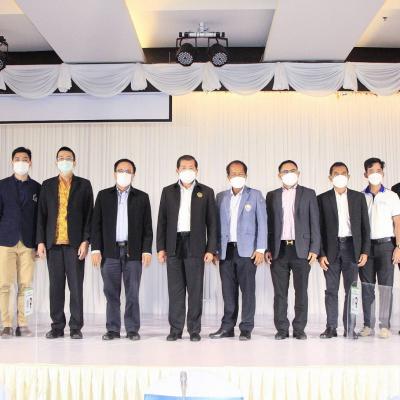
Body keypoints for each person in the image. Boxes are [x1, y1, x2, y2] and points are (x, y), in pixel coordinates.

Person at [157, 155, 217, 342]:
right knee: (175, 290)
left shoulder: (206, 192)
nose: (187, 170)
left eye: (191, 167)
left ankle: (194, 330)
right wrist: (161, 248)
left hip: (195, 244)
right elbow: (162, 221)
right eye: (183, 167)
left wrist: (210, 249)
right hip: (173, 244)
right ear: (177, 170)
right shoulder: (168, 191)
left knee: (195, 290)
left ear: (197, 170)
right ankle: (175, 330)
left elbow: (212, 223)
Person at [91, 159, 153, 341]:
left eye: (128, 171)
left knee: (132, 293)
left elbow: (147, 228)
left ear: (133, 174)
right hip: (109, 252)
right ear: (114, 173)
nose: (124, 173)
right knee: (111, 293)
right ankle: (113, 329)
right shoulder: (103, 196)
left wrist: (146, 250)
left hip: (133, 252)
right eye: (120, 170)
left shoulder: (142, 197)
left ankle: (132, 329)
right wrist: (96, 249)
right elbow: (96, 225)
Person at [37, 146, 93, 339]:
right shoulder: (47, 185)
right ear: (56, 161)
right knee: (56, 287)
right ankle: (57, 326)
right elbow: (41, 216)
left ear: (74, 162)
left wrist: (86, 240)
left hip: (75, 245)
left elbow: (89, 215)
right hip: (53, 245)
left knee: (76, 287)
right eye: (61, 158)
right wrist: (40, 242)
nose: (64, 160)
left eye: (68, 158)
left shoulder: (84, 185)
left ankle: (76, 327)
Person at [209, 160, 267, 341]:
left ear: (246, 175)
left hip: (247, 251)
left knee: (248, 291)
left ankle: (246, 328)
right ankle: (227, 327)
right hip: (225, 250)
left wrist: (260, 249)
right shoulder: (220, 197)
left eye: (240, 173)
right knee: (228, 291)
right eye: (233, 174)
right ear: (228, 177)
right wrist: (214, 249)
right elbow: (215, 225)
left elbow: (263, 223)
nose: (237, 176)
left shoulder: (255, 195)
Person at [265, 160, 320, 340]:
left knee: (301, 292)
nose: (289, 173)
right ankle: (281, 329)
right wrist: (267, 248)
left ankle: (299, 329)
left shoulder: (309, 193)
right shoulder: (272, 195)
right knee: (280, 293)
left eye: (292, 170)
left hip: (301, 250)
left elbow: (315, 222)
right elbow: (268, 224)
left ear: (298, 173)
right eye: (285, 171)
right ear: (279, 175)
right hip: (279, 249)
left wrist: (315, 248)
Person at [318, 162, 370, 339]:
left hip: (352, 248)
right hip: (330, 250)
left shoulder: (358, 197)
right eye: (336, 173)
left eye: (343, 173)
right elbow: (318, 229)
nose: (340, 176)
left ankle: (350, 328)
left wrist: (365, 251)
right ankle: (331, 327)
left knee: (352, 290)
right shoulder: (322, 199)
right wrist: (321, 254)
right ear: (330, 177)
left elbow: (365, 227)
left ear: (348, 176)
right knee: (331, 290)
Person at [0, 147, 41, 338]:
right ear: (12, 161)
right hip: (5, 241)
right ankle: (6, 324)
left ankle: (23, 323)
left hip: (28, 243)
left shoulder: (37, 188)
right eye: (17, 159)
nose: (21, 162)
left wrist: (39, 243)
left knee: (26, 284)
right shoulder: (2, 185)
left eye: (25, 159)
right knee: (4, 284)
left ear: (30, 162)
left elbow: (40, 219)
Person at [358, 157, 400, 339]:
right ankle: (368, 325)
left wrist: (398, 247)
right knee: (367, 287)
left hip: (386, 246)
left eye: (378, 170)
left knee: (385, 287)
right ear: (365, 174)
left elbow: (398, 223)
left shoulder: (392, 196)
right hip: (366, 248)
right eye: (371, 171)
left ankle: (384, 326)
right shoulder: (360, 197)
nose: (375, 174)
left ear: (383, 173)